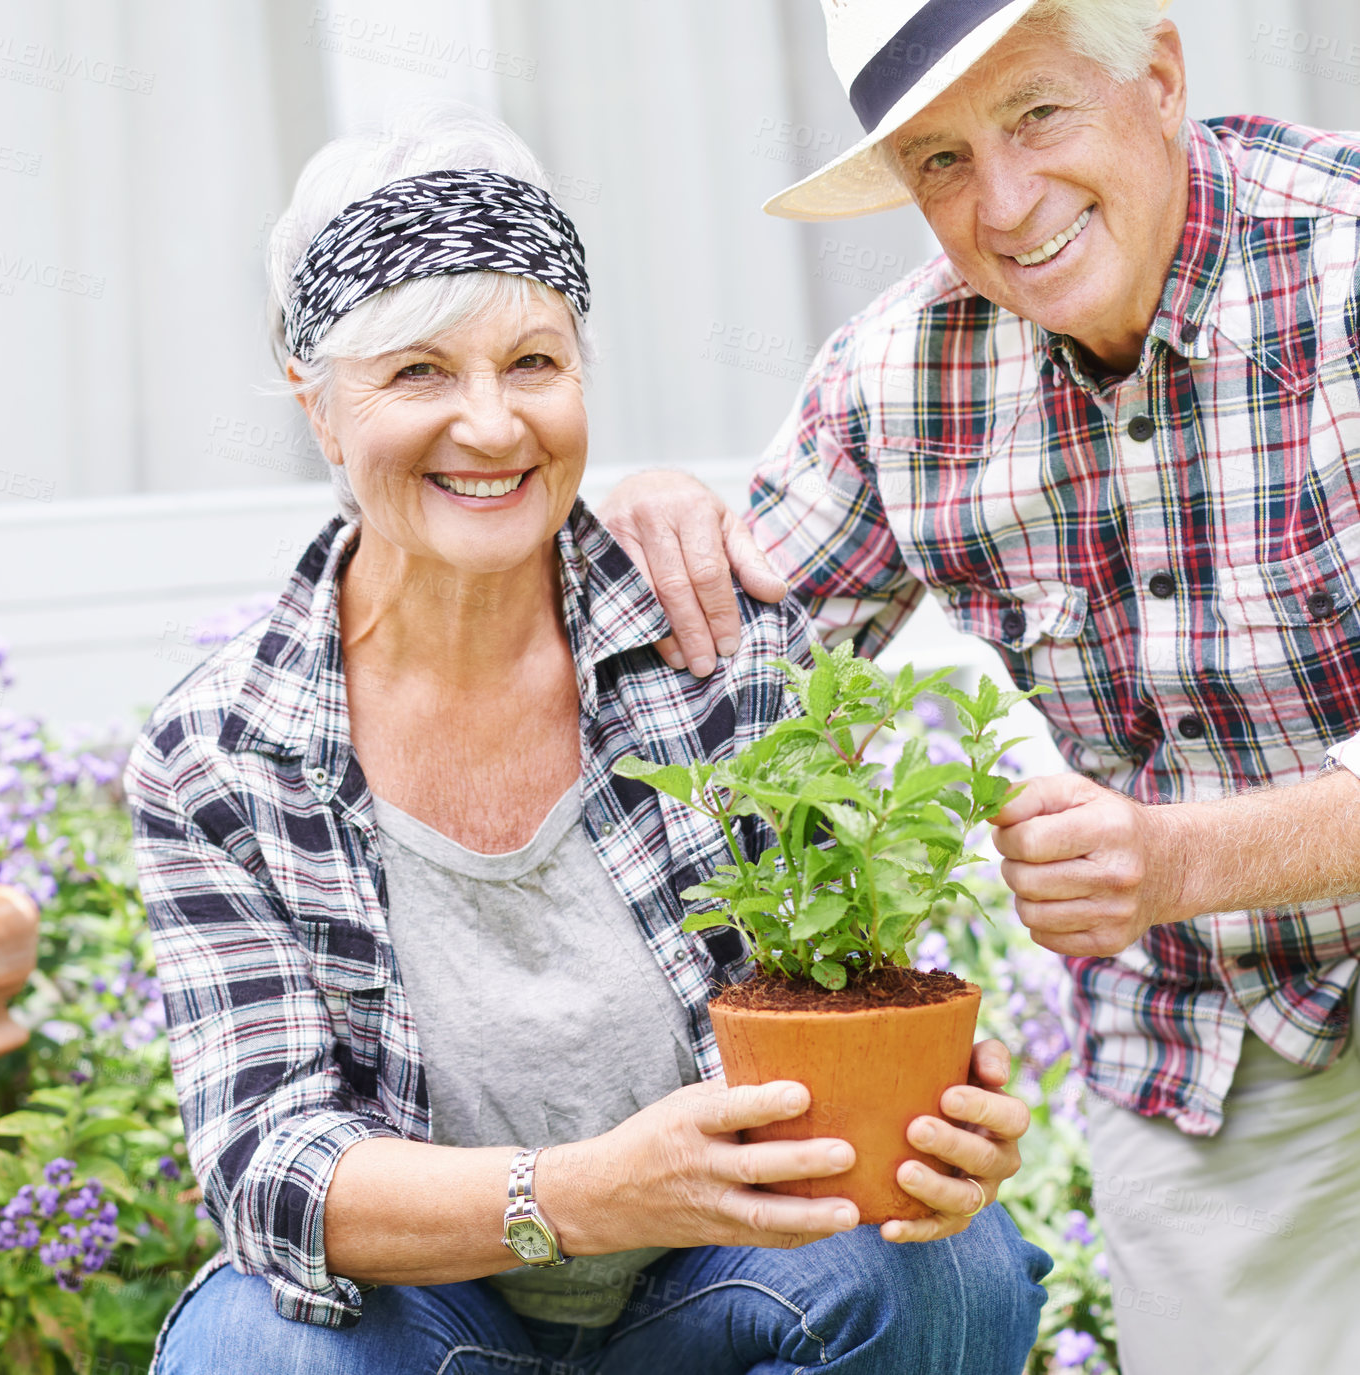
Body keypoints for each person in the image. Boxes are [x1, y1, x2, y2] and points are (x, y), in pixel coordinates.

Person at [124, 103, 1049, 1375]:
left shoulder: (710, 645)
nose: (493, 426)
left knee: (943, 1268)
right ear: (316, 402)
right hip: (433, 1322)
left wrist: (944, 1117)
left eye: (532, 364)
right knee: (251, 1351)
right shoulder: (221, 750)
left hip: (716, 1295)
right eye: (417, 374)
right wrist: (580, 1192)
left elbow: (849, 993)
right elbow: (268, 1167)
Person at [601, 1, 1360, 1371]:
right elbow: (710, 678)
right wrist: (633, 523)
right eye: (939, 160)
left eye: (1037, 115)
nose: (1004, 204)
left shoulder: (1343, 266)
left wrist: (1182, 855)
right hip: (1208, 1043)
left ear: (1160, 74)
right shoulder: (902, 376)